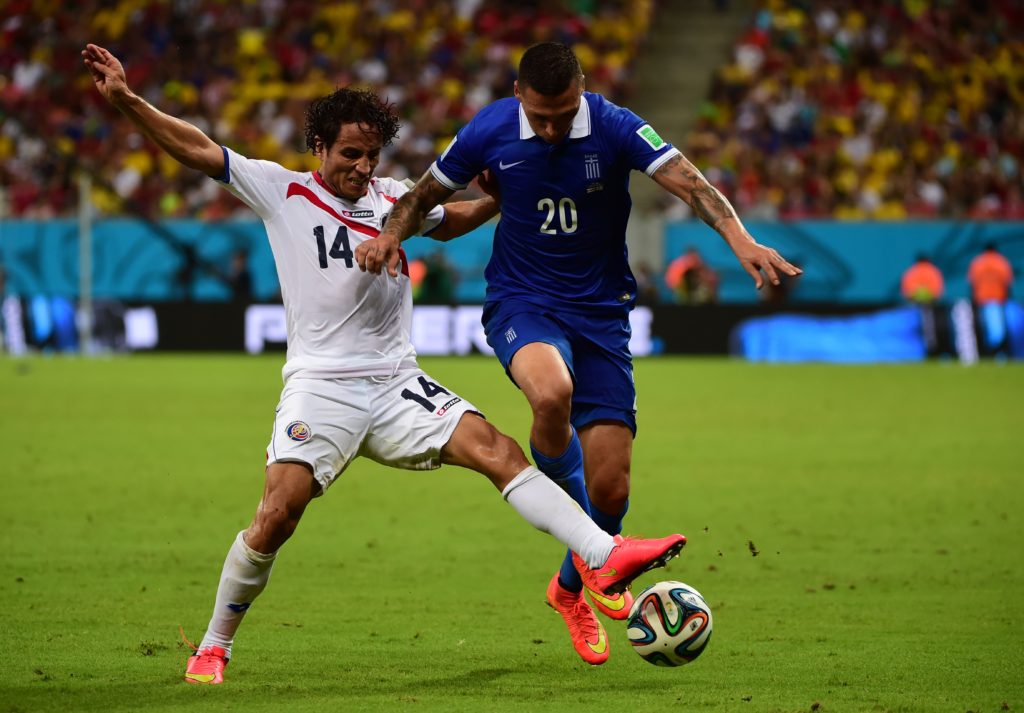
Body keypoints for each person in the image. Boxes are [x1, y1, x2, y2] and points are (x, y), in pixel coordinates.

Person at [82, 42, 687, 683]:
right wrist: (126, 100)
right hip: (321, 387)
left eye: (371, 155)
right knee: (277, 515)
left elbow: (448, 219)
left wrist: (504, 195)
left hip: (399, 384)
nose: (362, 167)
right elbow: (200, 149)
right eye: (349, 154)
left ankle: (605, 551)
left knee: (498, 451)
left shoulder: (391, 197)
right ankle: (213, 645)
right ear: (319, 146)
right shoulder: (279, 189)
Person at [355, 42, 800, 664]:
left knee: (612, 490)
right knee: (551, 391)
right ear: (518, 95)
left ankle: (570, 590)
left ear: (583, 90)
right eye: (539, 116)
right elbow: (422, 198)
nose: (551, 127)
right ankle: (590, 541)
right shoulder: (487, 130)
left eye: (563, 114)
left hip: (601, 316)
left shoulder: (615, 126)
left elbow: (690, 183)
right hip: (523, 302)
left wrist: (741, 239)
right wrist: (386, 236)